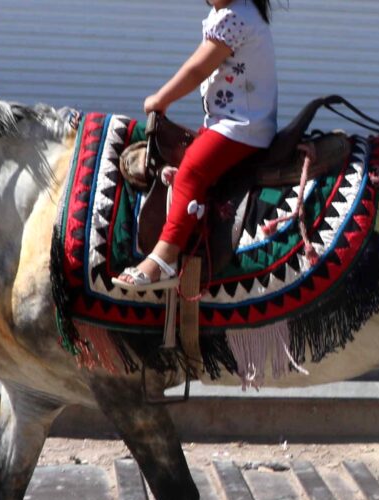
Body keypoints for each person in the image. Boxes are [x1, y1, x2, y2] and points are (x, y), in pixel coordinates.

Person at [118, 0, 279, 291]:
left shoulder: (235, 18)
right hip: (227, 122)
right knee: (187, 158)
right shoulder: (231, 15)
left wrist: (161, 100)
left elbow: (196, 70)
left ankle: (164, 258)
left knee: (192, 169)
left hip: (242, 126)